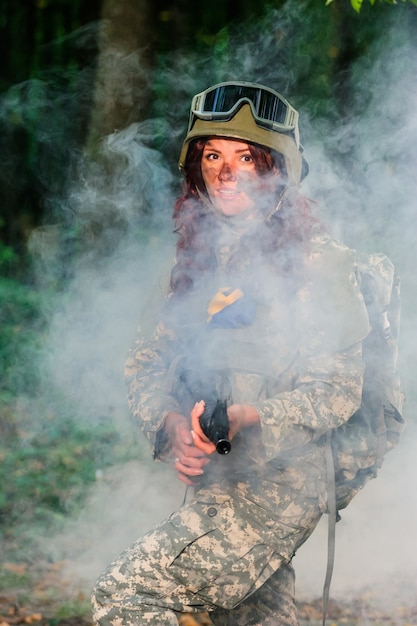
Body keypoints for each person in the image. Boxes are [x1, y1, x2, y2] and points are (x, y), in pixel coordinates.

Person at [91, 81, 371, 626]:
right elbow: (144, 361)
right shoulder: (192, 262)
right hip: (216, 482)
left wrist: (250, 416)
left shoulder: (319, 266)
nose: (225, 171)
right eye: (211, 155)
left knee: (126, 595)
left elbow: (339, 391)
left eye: (247, 157)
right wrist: (171, 425)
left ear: (277, 172)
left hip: (282, 484)